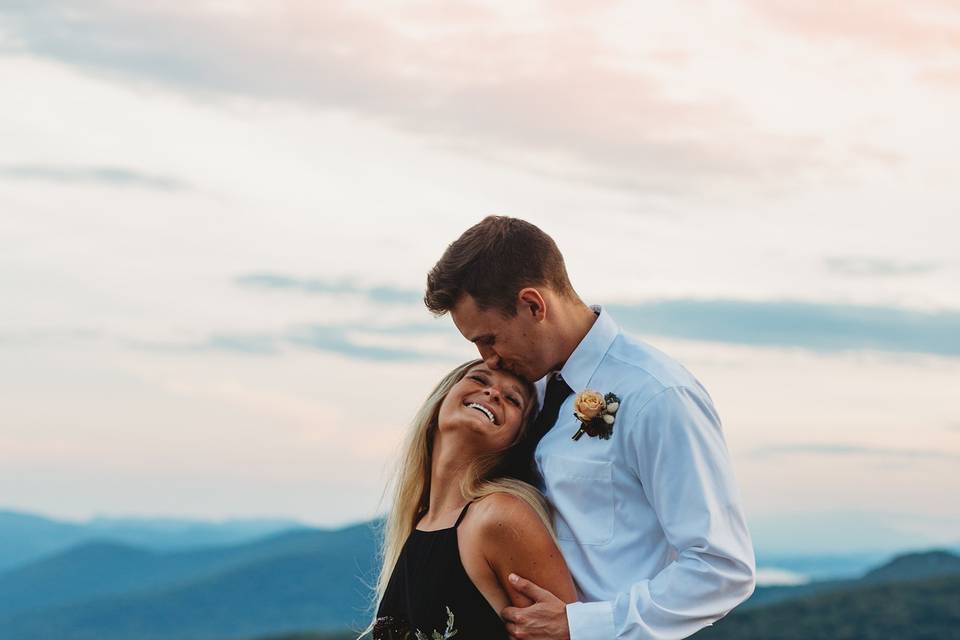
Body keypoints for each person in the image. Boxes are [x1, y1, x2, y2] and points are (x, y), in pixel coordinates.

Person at [423, 216, 757, 640]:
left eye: (489, 338)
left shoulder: (656, 394)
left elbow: (722, 568)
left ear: (533, 305)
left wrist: (582, 626)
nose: (487, 358)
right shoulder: (529, 392)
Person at [371, 359, 578, 640]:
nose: (493, 394)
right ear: (440, 401)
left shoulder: (500, 516)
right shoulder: (419, 522)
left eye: (512, 399)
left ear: (517, 439)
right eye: (480, 380)